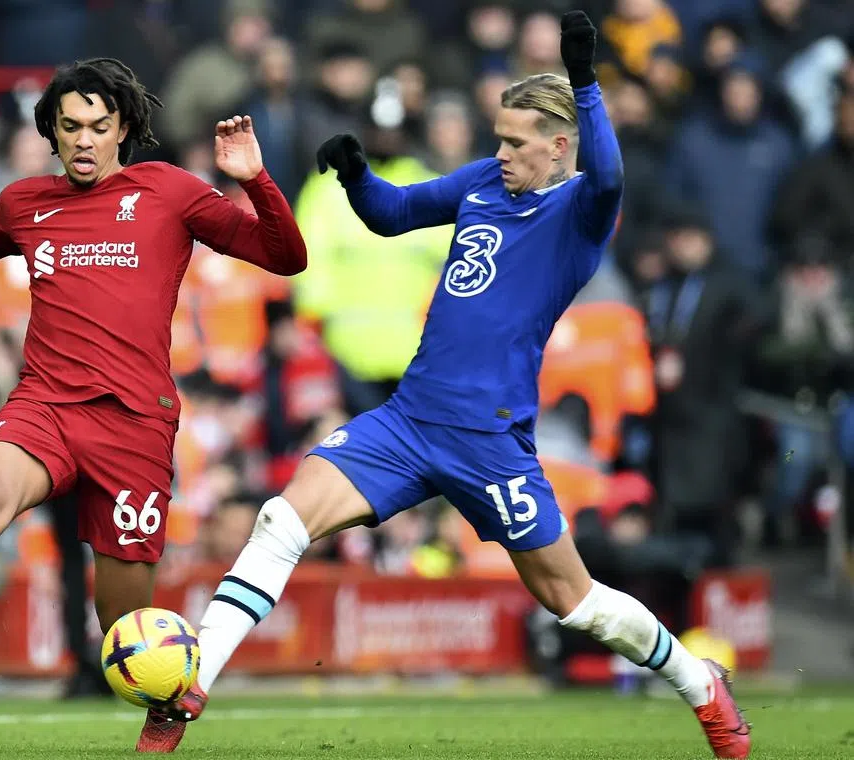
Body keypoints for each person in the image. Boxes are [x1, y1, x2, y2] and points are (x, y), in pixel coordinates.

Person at [153, 13, 750, 760]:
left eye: (512, 141)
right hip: (408, 421)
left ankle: (701, 685)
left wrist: (588, 83)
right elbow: (393, 215)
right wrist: (356, 173)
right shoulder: (483, 186)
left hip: (488, 439)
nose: (496, 152)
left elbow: (613, 173)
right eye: (495, 136)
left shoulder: (581, 210)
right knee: (281, 519)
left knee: (576, 602)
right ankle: (186, 692)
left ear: (560, 145)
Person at [0, 57, 306, 751]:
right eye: (70, 126)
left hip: (134, 423)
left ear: (122, 128)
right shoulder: (24, 204)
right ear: (52, 131)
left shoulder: (169, 191)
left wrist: (256, 179)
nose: (84, 140)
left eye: (99, 127)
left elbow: (285, 259)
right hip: (46, 404)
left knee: (125, 631)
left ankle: (164, 706)